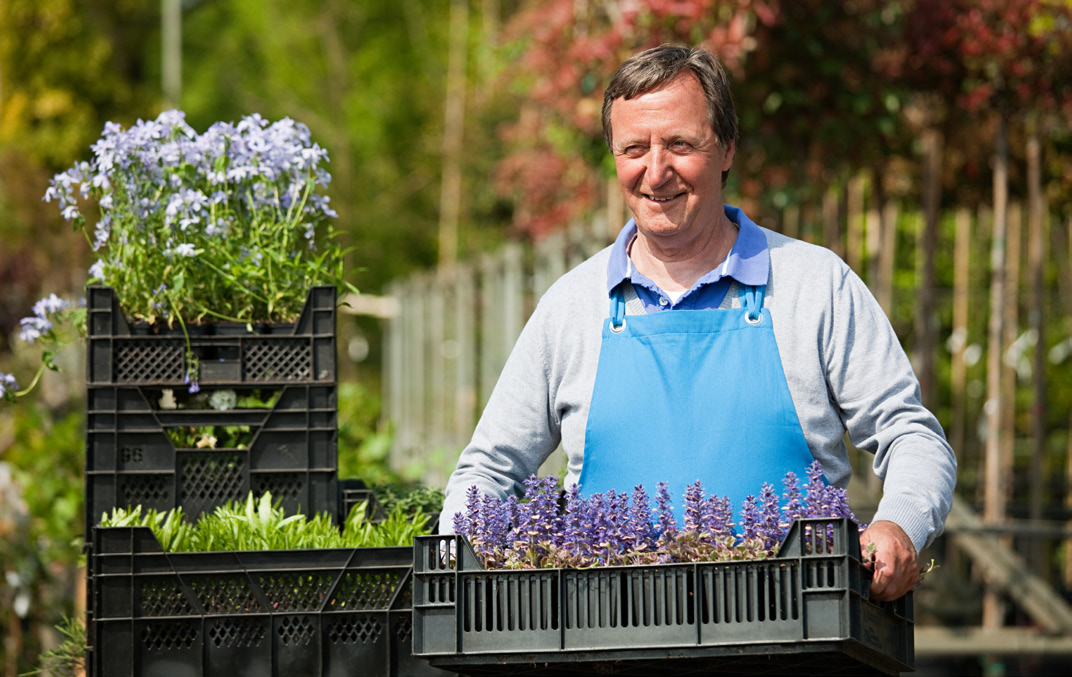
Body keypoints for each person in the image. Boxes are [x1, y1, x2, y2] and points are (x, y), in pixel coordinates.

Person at [440, 44, 956, 602]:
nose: (655, 172)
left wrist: (897, 525)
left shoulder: (814, 285)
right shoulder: (571, 306)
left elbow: (912, 435)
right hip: (605, 638)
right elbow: (487, 473)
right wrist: (466, 553)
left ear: (728, 149)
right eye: (634, 148)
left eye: (680, 145)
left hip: (795, 631)